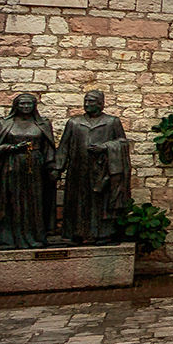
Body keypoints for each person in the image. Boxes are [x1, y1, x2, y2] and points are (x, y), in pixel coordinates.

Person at [58, 90, 132, 244]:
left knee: (100, 203)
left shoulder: (112, 122)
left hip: (101, 170)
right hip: (78, 169)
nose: (87, 104)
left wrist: (105, 147)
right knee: (78, 202)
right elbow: (64, 146)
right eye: (85, 101)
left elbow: (122, 142)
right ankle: (77, 233)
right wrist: (57, 168)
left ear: (100, 104)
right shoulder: (74, 123)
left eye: (91, 101)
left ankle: (103, 234)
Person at [0, 94, 56, 249]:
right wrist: (13, 148)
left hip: (36, 167)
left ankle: (35, 236)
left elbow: (48, 148)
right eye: (22, 104)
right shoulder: (5, 124)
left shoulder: (43, 124)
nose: (25, 107)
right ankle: (10, 238)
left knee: (35, 202)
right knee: (13, 201)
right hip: (12, 166)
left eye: (29, 104)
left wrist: (51, 167)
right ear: (16, 106)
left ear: (34, 106)